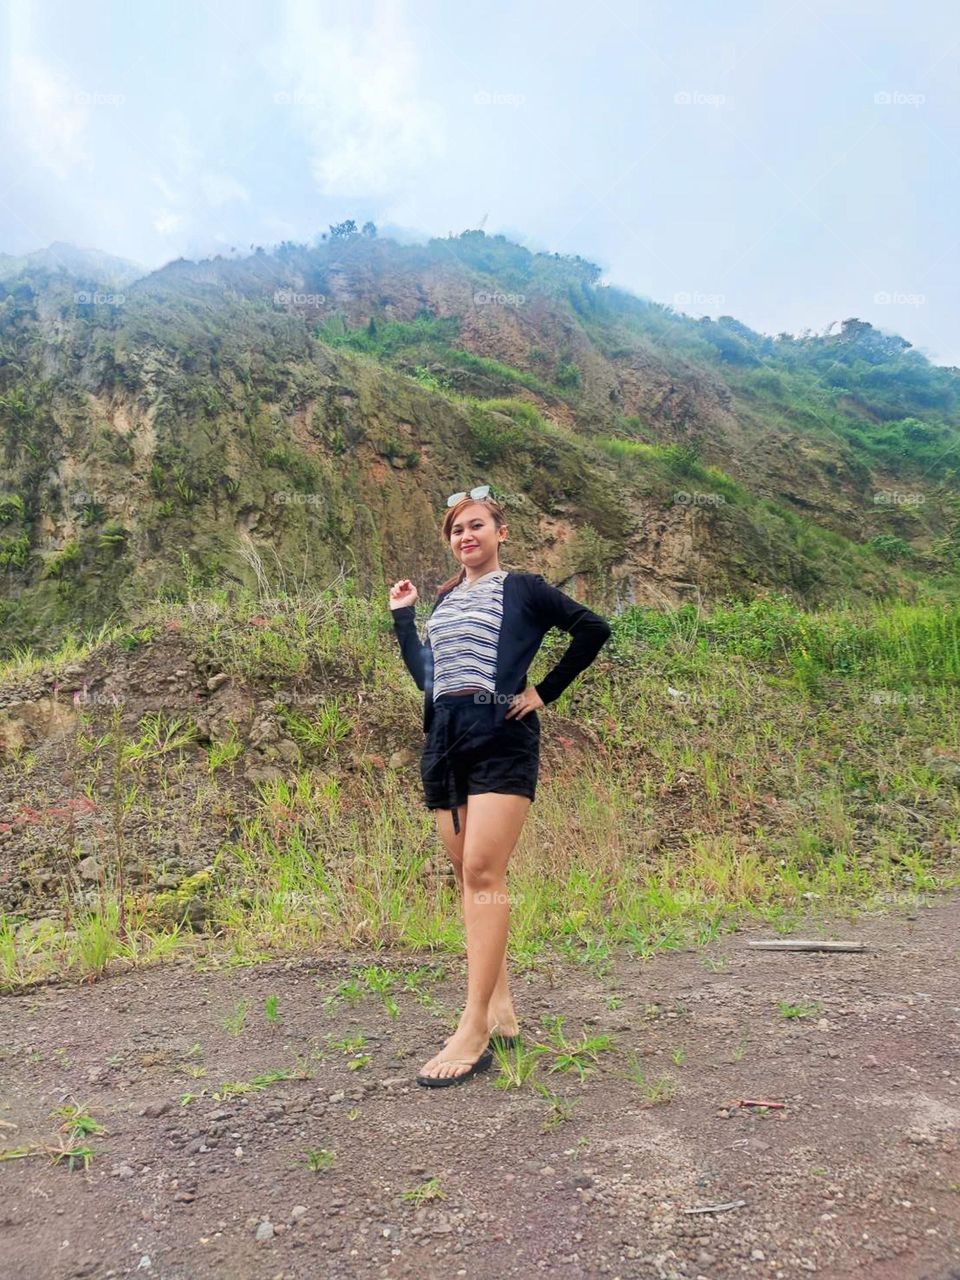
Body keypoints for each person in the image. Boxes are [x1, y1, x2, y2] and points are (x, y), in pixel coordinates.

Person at [388, 485, 612, 1088]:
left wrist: (545, 690)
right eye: (457, 529)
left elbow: (592, 629)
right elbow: (428, 678)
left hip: (501, 732)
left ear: (499, 532)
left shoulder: (525, 588)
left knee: (484, 874)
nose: (467, 535)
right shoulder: (445, 598)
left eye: (477, 525)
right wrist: (404, 619)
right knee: (468, 876)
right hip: (444, 736)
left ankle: (473, 1026)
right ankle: (502, 1009)